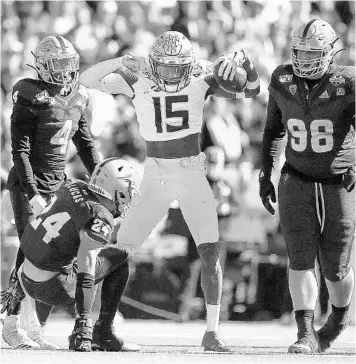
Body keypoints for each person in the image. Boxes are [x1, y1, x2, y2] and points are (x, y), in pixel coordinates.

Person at [79, 30, 260, 352]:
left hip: (177, 173)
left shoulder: (156, 79)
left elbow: (88, 78)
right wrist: (248, 69)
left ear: (187, 64)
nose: (172, 75)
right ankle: (86, 317)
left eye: (178, 68)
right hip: (171, 174)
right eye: (165, 67)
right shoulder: (194, 77)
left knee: (207, 251)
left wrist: (120, 62)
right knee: (123, 248)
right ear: (154, 63)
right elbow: (251, 90)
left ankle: (211, 332)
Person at [259, 19, 355, 354]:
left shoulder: (348, 81)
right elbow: (273, 131)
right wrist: (265, 174)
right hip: (296, 179)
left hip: (339, 182)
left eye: (313, 51)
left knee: (336, 268)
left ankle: (338, 320)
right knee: (299, 259)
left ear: (330, 51)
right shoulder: (282, 78)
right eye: (300, 50)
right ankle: (305, 333)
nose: (305, 58)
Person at [1, 35, 100, 349]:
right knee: (30, 251)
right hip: (29, 183)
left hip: (58, 185)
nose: (64, 72)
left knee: (52, 254)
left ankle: (34, 326)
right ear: (42, 65)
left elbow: (84, 143)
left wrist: (101, 179)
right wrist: (33, 193)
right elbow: (20, 150)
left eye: (68, 64)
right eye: (57, 65)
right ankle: (12, 323)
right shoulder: (30, 93)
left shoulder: (77, 96)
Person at [3, 158, 141, 352]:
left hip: (25, 276)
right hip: (52, 287)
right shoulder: (99, 215)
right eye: (130, 191)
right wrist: (84, 323)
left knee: (64, 254)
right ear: (119, 189)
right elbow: (87, 270)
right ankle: (103, 334)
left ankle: (38, 329)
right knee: (122, 256)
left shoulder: (72, 186)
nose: (130, 197)